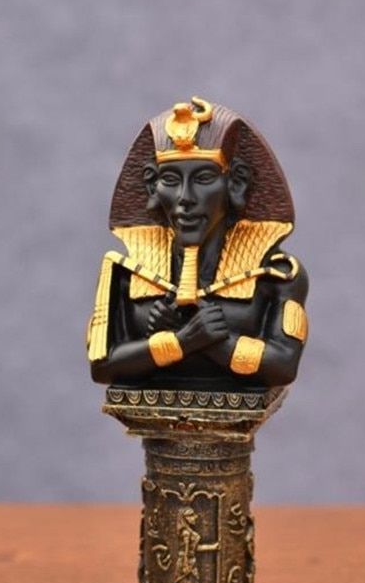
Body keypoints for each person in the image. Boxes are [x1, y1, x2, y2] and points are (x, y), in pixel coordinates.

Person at [87, 97, 308, 390]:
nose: (185, 198)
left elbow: (282, 366)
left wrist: (204, 340)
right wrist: (183, 340)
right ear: (152, 187)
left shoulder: (277, 273)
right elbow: (102, 366)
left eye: (203, 178)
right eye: (170, 179)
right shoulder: (126, 272)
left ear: (236, 183)